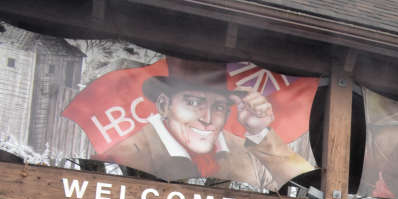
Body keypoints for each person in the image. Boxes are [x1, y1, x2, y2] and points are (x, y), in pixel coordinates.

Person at [101, 57, 312, 191]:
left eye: (219, 106)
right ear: (164, 105)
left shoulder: (241, 153)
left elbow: (305, 186)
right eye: (193, 103)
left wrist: (259, 132)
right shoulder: (129, 152)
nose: (207, 118)